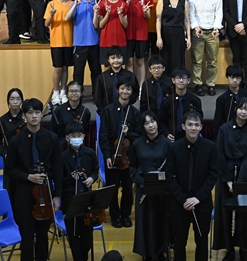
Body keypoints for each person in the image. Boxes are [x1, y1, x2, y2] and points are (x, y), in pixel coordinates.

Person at [4, 98, 63, 261]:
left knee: (43, 235)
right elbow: (9, 169)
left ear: (42, 114)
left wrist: (57, 195)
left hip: (46, 190)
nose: (34, 116)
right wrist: (28, 176)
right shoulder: (16, 141)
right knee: (27, 236)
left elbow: (58, 169)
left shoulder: (52, 138)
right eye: (30, 113)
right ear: (24, 116)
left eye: (37, 112)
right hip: (24, 192)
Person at [166, 111, 218, 261]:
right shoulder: (174, 148)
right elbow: (170, 176)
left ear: (201, 127)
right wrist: (183, 199)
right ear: (183, 126)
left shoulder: (210, 147)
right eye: (190, 124)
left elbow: (212, 176)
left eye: (196, 125)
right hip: (179, 203)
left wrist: (198, 198)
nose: (193, 128)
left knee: (201, 242)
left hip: (202, 203)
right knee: (179, 243)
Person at [213, 95, 247, 261]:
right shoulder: (224, 129)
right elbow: (220, 154)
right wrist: (228, 181)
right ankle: (229, 249)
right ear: (235, 109)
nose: (243, 112)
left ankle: (244, 248)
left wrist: (239, 183)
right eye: (241, 108)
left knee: (243, 214)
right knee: (225, 213)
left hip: (242, 178)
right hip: (225, 177)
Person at [99, 78, 141, 228]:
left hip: (128, 157)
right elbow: (103, 136)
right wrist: (106, 156)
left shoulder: (135, 113)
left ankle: (125, 214)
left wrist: (129, 133)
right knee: (112, 187)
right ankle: (115, 215)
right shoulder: (108, 111)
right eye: (123, 88)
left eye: (128, 89)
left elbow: (139, 136)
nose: (125, 91)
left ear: (132, 92)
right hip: (112, 154)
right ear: (117, 90)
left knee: (128, 188)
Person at [129, 111, 170, 261]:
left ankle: (161, 251)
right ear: (143, 126)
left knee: (162, 221)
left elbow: (171, 167)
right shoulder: (137, 144)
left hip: (162, 191)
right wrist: (142, 182)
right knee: (146, 222)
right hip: (144, 189)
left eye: (153, 121)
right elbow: (132, 167)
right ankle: (147, 254)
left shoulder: (167, 144)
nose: (151, 125)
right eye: (146, 123)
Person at [59, 121, 99, 261]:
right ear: (67, 138)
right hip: (70, 199)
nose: (76, 138)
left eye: (78, 135)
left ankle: (84, 256)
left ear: (83, 136)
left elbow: (95, 171)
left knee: (87, 233)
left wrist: (92, 178)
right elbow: (60, 181)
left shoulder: (90, 153)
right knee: (73, 233)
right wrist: (70, 178)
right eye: (73, 135)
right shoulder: (62, 157)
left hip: (87, 198)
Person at [189, 0, 223, 97]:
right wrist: (196, 27)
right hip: (197, 33)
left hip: (212, 33)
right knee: (197, 61)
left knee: (212, 61)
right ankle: (197, 85)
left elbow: (219, 14)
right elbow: (191, 15)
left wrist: (216, 28)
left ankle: (211, 84)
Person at [66, 0, 101, 92]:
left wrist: (96, 12)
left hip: (94, 43)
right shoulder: (77, 2)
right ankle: (77, 96)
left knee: (96, 72)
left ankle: (97, 96)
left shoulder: (98, 4)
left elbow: (96, 25)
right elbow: (67, 18)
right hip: (79, 44)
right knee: (78, 73)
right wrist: (75, 6)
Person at [45, 0, 75, 104]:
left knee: (65, 68)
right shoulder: (51, 4)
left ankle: (63, 91)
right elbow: (46, 24)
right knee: (57, 69)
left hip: (69, 41)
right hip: (56, 41)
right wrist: (51, 15)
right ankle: (55, 92)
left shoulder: (73, 4)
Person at [157, 0, 192, 72]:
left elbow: (186, 21)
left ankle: (178, 79)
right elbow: (158, 20)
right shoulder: (162, 2)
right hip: (165, 34)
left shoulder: (184, 3)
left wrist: (189, 38)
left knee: (178, 59)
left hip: (179, 34)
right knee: (165, 59)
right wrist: (159, 37)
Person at [160, 67, 203, 142]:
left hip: (190, 138)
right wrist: (167, 133)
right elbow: (161, 121)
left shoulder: (195, 100)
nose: (181, 80)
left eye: (184, 78)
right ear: (173, 80)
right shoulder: (167, 102)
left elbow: (199, 119)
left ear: (188, 80)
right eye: (178, 78)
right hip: (172, 138)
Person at [95, 0, 129, 68]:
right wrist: (108, 13)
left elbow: (125, 25)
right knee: (107, 67)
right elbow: (100, 25)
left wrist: (120, 14)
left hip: (120, 40)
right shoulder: (102, 3)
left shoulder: (123, 4)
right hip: (106, 40)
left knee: (119, 67)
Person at [213, 65, 247, 137]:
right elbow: (217, 121)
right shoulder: (222, 99)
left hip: (245, 130)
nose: (235, 80)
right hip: (229, 132)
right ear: (227, 78)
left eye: (238, 78)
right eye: (232, 77)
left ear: (241, 79)